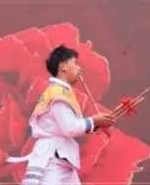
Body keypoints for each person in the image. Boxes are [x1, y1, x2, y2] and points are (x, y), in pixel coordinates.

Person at [8, 45, 115, 185]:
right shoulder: (58, 94)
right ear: (63, 66)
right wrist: (94, 121)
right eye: (75, 63)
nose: (79, 68)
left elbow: (68, 126)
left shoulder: (60, 92)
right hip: (52, 161)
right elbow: (70, 128)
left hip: (60, 159)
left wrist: (96, 123)